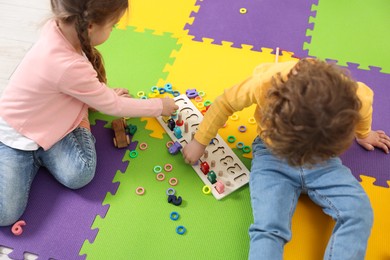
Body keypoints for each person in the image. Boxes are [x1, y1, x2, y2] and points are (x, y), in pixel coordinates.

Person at [182, 58, 390, 259]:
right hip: (272, 156)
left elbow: (363, 113)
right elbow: (225, 103)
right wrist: (200, 141)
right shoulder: (263, 83)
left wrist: (364, 134)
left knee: (358, 212)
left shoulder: (355, 96)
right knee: (268, 228)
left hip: (322, 162)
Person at [0, 0, 178, 227]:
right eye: (113, 25)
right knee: (5, 215)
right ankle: (79, 113)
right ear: (91, 26)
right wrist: (159, 106)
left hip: (52, 126)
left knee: (80, 175)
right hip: (13, 138)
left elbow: (72, 85)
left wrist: (98, 95)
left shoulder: (60, 27)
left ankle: (79, 112)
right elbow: (113, 106)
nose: (113, 30)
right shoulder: (66, 64)